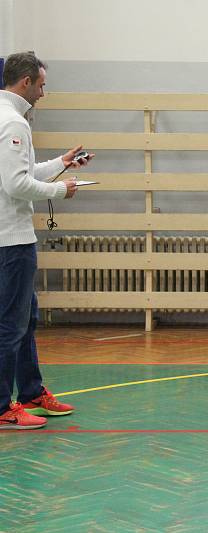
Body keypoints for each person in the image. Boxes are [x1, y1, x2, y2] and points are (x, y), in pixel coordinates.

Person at [1, 51, 90, 430]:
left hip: (12, 240)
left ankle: (33, 391)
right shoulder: (13, 124)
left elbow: (22, 171)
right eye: (41, 84)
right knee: (10, 325)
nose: (44, 91)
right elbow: (17, 184)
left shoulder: (8, 119)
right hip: (12, 243)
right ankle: (4, 406)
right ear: (25, 83)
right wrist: (61, 191)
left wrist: (60, 165)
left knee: (26, 319)